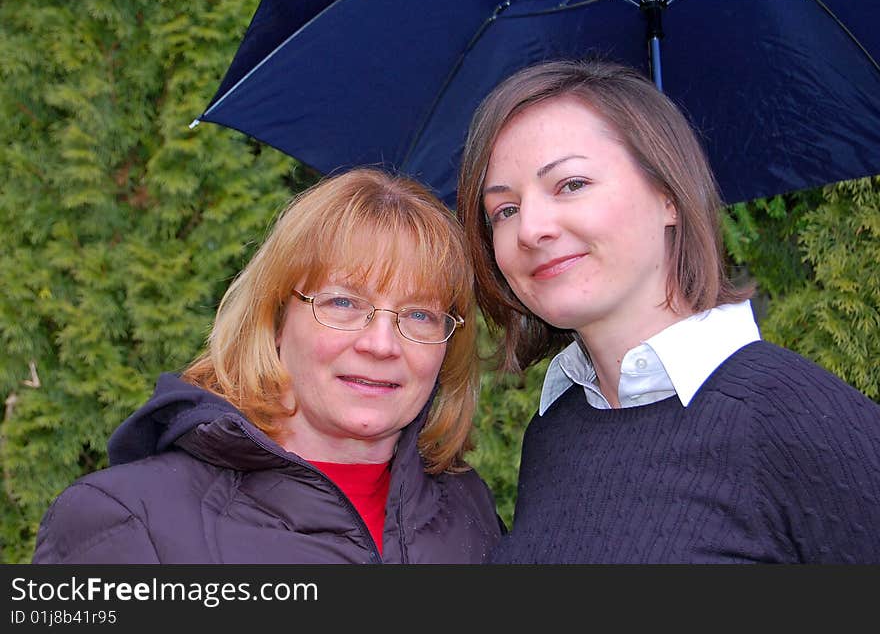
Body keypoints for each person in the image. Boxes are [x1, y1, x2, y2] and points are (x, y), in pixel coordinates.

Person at [456, 58, 880, 564]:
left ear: (668, 197)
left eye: (571, 184)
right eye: (504, 210)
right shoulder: (554, 433)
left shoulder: (801, 419)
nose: (530, 229)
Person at [33, 168, 502, 564]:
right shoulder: (128, 522)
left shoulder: (468, 509)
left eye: (419, 314)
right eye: (342, 302)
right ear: (276, 319)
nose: (381, 344)